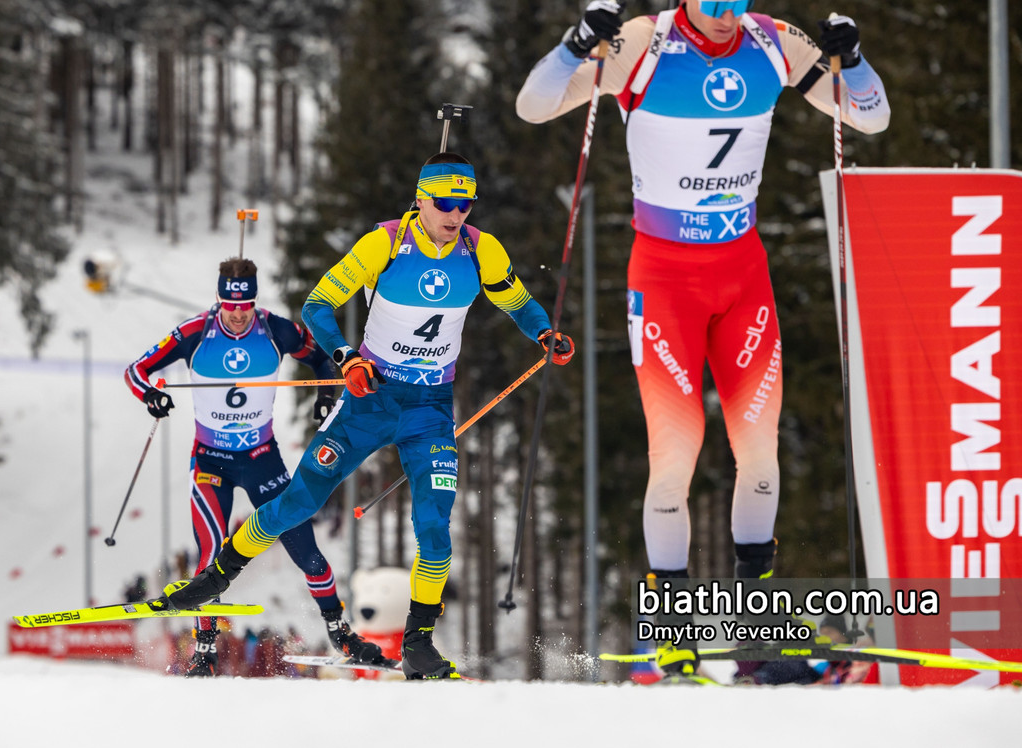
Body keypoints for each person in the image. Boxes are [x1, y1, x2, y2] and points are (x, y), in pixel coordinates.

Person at [517, 1, 890, 678]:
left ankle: (758, 624)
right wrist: (576, 46)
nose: (726, 15)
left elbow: (870, 114)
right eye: (713, 3)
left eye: (737, 1)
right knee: (676, 454)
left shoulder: (772, 42)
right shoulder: (643, 43)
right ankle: (674, 632)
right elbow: (533, 108)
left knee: (759, 449)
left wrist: (853, 59)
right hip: (664, 279)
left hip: (742, 273)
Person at [151, 152, 576, 680]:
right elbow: (318, 305)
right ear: (421, 198)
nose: (455, 214)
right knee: (297, 503)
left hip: (430, 408)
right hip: (369, 399)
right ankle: (216, 578)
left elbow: (515, 299)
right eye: (444, 202)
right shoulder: (386, 243)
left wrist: (541, 332)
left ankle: (419, 641)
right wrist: (345, 358)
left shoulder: (480, 249)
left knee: (435, 527)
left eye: (464, 205)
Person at [125, 257, 388, 677]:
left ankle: (340, 632)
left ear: (254, 300)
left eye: (245, 304)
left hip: (262, 459)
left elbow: (320, 358)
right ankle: (205, 651)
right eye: (230, 305)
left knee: (307, 550)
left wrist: (324, 395)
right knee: (210, 555)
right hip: (211, 462)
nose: (238, 314)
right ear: (218, 300)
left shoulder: (275, 329)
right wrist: (151, 396)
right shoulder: (195, 333)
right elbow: (137, 371)